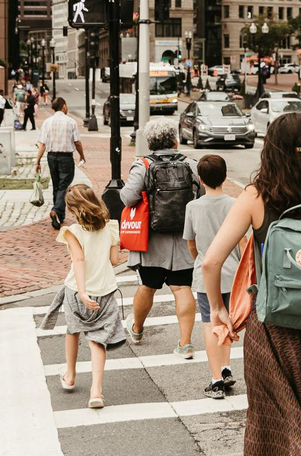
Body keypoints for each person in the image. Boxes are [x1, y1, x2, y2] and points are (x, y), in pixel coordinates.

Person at [201, 112, 301, 455]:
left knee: (276, 422)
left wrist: (219, 308)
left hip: (273, 327)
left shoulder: (255, 198)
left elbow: (211, 261)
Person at [38, 185, 125, 409]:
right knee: (97, 339)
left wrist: (83, 291)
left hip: (77, 291)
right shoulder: (110, 227)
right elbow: (115, 261)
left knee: (73, 330)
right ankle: (96, 391)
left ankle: (70, 375)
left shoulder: (72, 231)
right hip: (104, 291)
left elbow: (78, 261)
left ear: (74, 209)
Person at [120, 117, 200, 359]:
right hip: (185, 238)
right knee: (182, 288)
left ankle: (137, 330)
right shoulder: (191, 164)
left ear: (151, 141)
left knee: (147, 286)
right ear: (175, 139)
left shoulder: (143, 165)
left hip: (152, 240)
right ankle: (185, 344)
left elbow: (127, 198)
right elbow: (201, 194)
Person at [183, 154, 246, 399]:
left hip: (205, 275)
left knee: (211, 325)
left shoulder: (193, 207)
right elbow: (242, 241)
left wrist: (200, 260)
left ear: (200, 180)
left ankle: (216, 379)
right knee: (227, 319)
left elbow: (191, 244)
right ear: (225, 176)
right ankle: (226, 367)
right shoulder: (234, 204)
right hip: (232, 274)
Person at [35, 97, 85, 229]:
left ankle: (59, 216)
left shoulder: (47, 122)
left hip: (51, 157)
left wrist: (37, 161)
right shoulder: (70, 122)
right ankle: (56, 210)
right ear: (63, 106)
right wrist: (81, 155)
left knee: (57, 185)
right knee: (64, 185)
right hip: (65, 157)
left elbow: (42, 144)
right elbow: (77, 142)